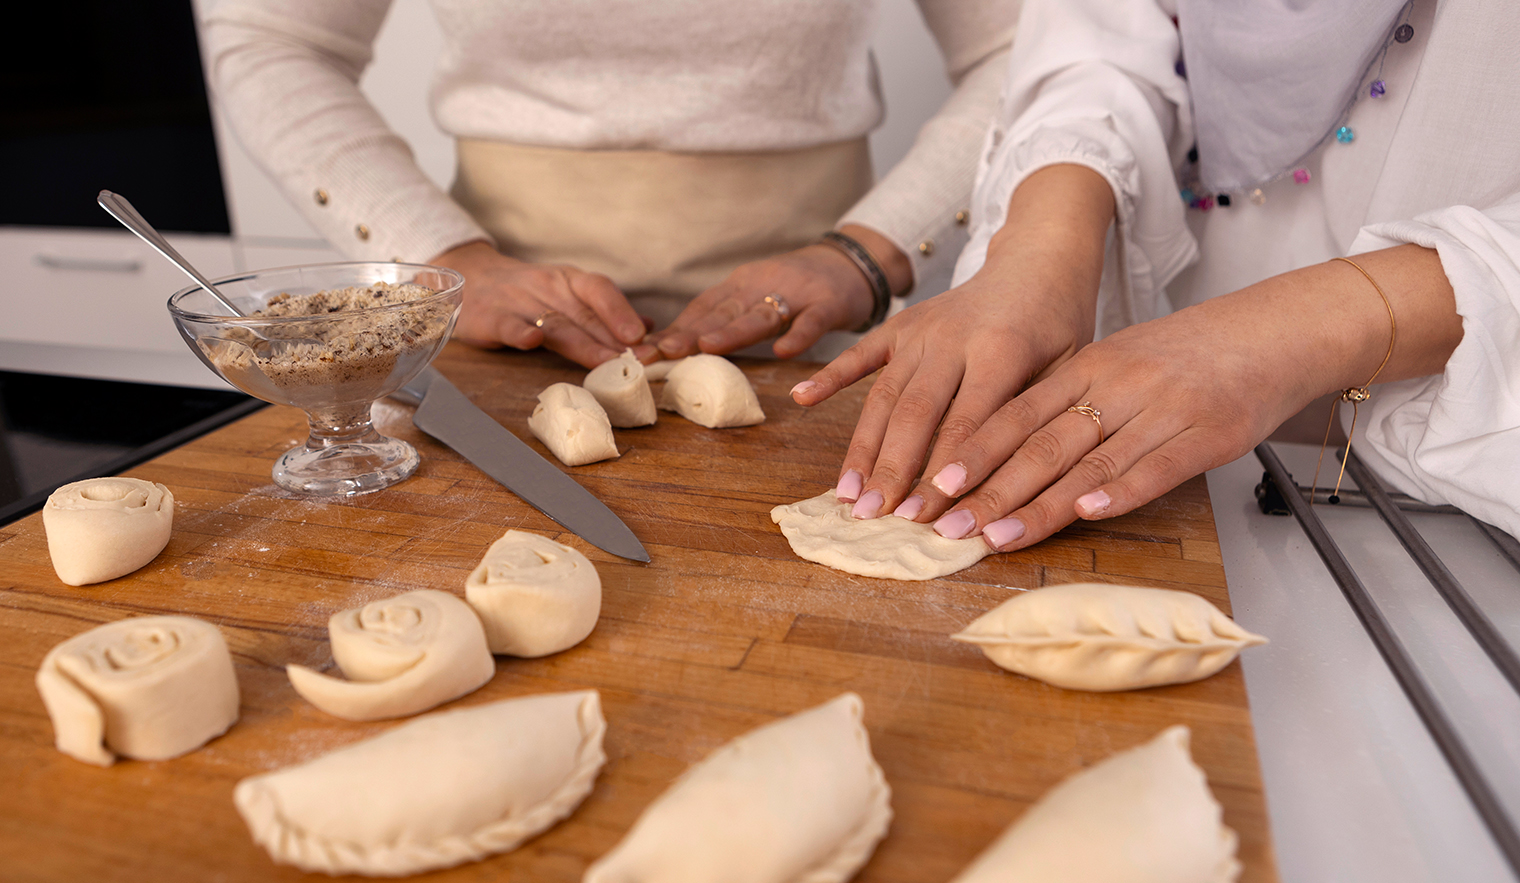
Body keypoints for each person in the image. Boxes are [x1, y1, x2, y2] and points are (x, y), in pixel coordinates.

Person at [792, 0, 1520, 545]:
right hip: (1175, 459)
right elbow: (1105, 28)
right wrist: (1046, 240)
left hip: (1468, 467)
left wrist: (1274, 336)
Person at [203, 0, 1021, 368]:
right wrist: (440, 255)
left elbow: (1025, 45)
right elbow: (270, 34)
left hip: (823, 335)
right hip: (495, 337)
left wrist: (868, 254)